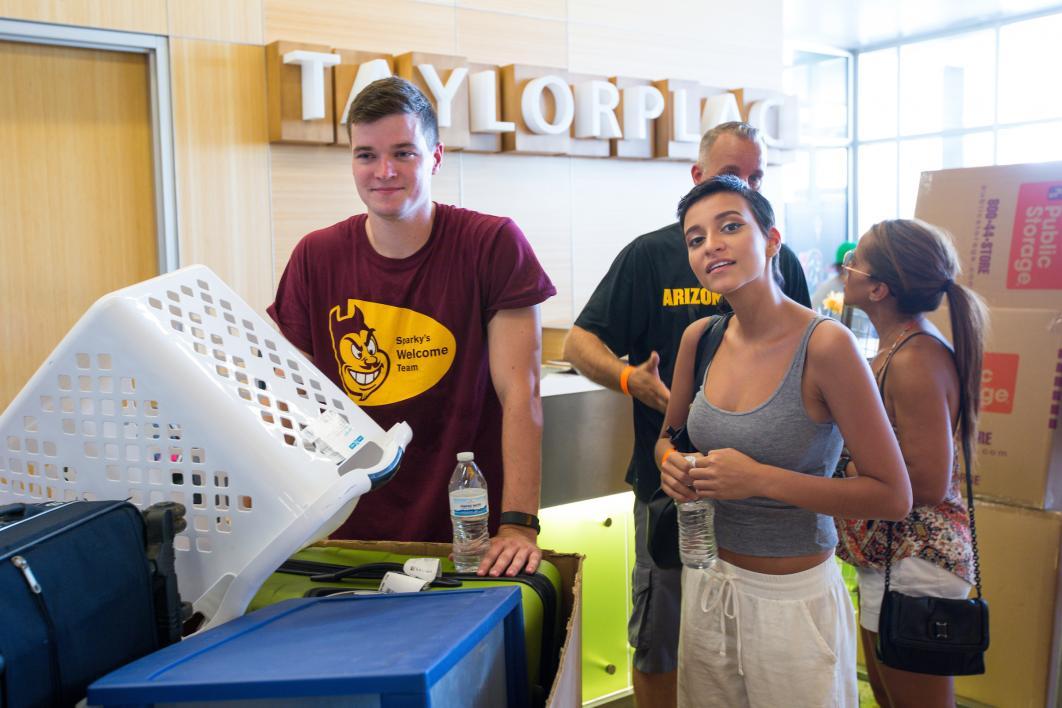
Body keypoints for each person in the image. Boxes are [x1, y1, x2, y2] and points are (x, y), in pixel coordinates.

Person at [563, 121, 811, 706]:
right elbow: (578, 344)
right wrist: (634, 381)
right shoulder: (651, 256)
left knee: (758, 660)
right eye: (731, 176)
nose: (745, 188)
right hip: (671, 496)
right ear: (696, 179)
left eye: (756, 178)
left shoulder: (785, 263)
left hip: (769, 509)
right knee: (663, 643)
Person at [268, 77, 556, 577]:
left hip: (467, 535)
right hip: (344, 534)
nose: (384, 172)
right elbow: (289, 395)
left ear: (436, 156)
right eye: (366, 155)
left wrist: (518, 525)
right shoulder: (316, 256)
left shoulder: (491, 244)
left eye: (403, 153)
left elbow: (521, 394)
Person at [657, 175, 911, 707]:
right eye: (696, 238)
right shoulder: (699, 338)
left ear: (772, 241)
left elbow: (892, 494)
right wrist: (671, 466)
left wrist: (758, 479)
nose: (711, 246)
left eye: (730, 226)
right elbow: (669, 438)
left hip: (791, 600)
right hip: (708, 583)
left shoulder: (826, 345)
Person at [835, 219, 986, 708]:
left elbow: (925, 480)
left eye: (856, 258)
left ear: (878, 288)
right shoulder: (897, 349)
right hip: (892, 560)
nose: (846, 263)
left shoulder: (915, 359)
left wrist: (851, 469)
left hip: (919, 564)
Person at [811, 241, 856, 311]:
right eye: (845, 269)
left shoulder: (863, 289)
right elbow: (812, 310)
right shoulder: (827, 288)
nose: (846, 276)